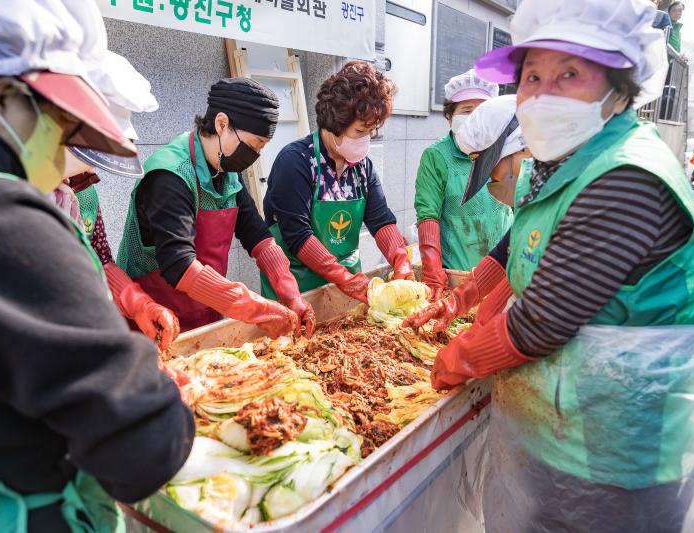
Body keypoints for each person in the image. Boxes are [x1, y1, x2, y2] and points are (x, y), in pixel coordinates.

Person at [405, 0, 694, 531]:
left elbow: (540, 322)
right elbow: (517, 245)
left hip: (612, 453)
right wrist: (461, 298)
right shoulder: (566, 164)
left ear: (620, 89)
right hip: (559, 429)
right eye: (531, 76)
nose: (542, 92)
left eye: (569, 73)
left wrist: (452, 359)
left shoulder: (626, 178)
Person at [0, 1, 194, 531]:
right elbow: (143, 448)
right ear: (2, 97)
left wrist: (131, 299)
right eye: (61, 127)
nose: (64, 158)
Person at [117, 78, 315, 337]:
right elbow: (179, 264)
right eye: (253, 145)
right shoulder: (170, 174)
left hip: (205, 309)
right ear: (222, 124)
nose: (254, 156)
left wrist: (290, 292)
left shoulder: (227, 169)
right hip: (153, 319)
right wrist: (255, 309)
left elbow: (257, 235)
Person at [51, 51, 180, 352]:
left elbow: (100, 259)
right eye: (92, 155)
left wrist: (137, 302)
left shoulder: (82, 191)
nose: (93, 170)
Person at [262, 61, 413, 304]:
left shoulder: (363, 167)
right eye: (360, 131)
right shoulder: (296, 162)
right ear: (335, 123)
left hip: (348, 278)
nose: (367, 139)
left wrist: (400, 258)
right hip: (297, 284)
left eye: (372, 130)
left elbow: (381, 219)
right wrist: (342, 278)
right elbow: (298, 235)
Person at [414, 70, 512, 300]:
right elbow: (428, 214)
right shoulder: (437, 156)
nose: (476, 118)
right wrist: (432, 270)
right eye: (467, 111)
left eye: (482, 111)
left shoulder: (507, 151)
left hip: (503, 273)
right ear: (449, 116)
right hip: (458, 277)